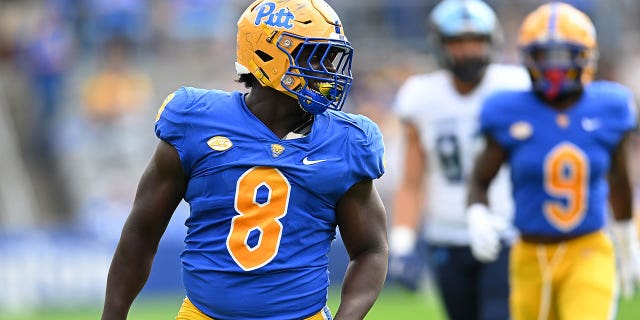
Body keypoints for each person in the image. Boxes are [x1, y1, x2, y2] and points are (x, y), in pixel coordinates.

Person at [101, 1, 388, 319]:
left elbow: (370, 249)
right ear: (268, 55)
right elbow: (141, 231)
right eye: (315, 56)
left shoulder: (346, 141)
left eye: (331, 58)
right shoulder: (196, 121)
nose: (328, 71)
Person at [466, 2, 640, 319]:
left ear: (586, 55)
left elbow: (619, 179)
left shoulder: (610, 106)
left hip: (587, 248)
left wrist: (627, 238)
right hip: (529, 254)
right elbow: (480, 179)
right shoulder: (507, 110)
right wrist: (477, 212)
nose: (552, 67)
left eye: (562, 55)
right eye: (544, 56)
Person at [388, 0, 529, 319]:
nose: (468, 51)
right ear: (440, 45)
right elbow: (412, 180)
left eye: (476, 41)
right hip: (446, 235)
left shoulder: (514, 86)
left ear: (492, 42)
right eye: (458, 42)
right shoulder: (420, 96)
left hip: (504, 229)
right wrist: (402, 241)